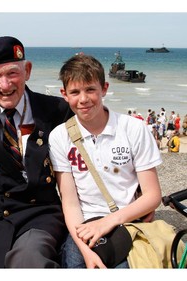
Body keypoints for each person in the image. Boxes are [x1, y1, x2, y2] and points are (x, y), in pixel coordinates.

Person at [0, 36, 74, 268]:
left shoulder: (56, 110)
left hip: (38, 212)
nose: (5, 85)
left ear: (27, 70)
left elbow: (98, 136)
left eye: (12, 73)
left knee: (31, 259)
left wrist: (133, 191)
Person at [49, 54, 162, 269]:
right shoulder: (60, 136)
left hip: (127, 220)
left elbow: (152, 195)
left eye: (90, 89)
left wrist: (107, 222)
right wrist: (85, 249)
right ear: (64, 94)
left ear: (105, 88)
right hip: (83, 225)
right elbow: (70, 202)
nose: (83, 99)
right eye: (75, 92)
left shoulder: (133, 128)